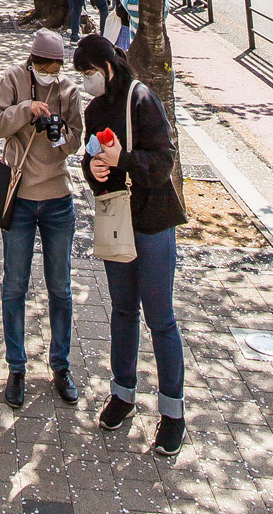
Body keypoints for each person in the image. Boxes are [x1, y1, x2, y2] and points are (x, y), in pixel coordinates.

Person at [74, 36, 186, 452]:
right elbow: (89, 159)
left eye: (88, 73)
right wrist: (95, 171)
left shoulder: (142, 100)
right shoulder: (94, 109)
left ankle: (173, 411)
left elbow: (163, 163)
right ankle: (122, 393)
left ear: (106, 67)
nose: (86, 81)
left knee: (160, 318)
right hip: (116, 220)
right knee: (122, 309)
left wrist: (121, 160)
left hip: (153, 222)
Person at [0, 29, 83, 408]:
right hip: (21, 199)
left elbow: (76, 140)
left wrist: (60, 134)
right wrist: (26, 110)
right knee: (15, 284)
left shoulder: (68, 92)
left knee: (59, 286)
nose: (50, 73)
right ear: (32, 61)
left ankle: (60, 365)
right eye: (44, 66)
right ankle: (16, 367)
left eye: (56, 67)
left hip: (58, 198)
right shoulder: (13, 79)